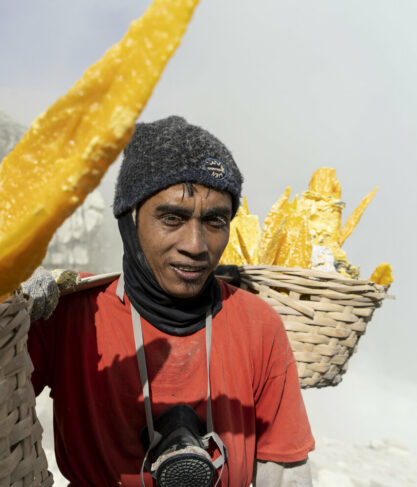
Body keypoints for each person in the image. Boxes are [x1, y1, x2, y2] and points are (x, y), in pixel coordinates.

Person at [23, 116, 314, 486]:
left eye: (214, 221)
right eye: (172, 217)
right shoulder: (71, 314)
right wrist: (1, 310)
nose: (195, 245)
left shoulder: (258, 324)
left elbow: (285, 472)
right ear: (129, 220)